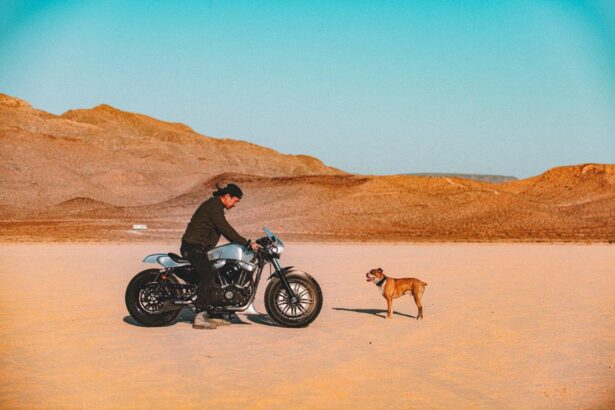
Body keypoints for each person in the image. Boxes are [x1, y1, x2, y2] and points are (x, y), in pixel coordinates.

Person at [180, 183, 261, 329]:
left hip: (200, 248)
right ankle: (200, 316)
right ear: (227, 196)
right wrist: (247, 244)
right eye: (235, 201)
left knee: (219, 275)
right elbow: (226, 229)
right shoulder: (213, 207)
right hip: (193, 247)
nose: (235, 204)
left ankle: (214, 314)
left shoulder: (216, 207)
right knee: (208, 276)